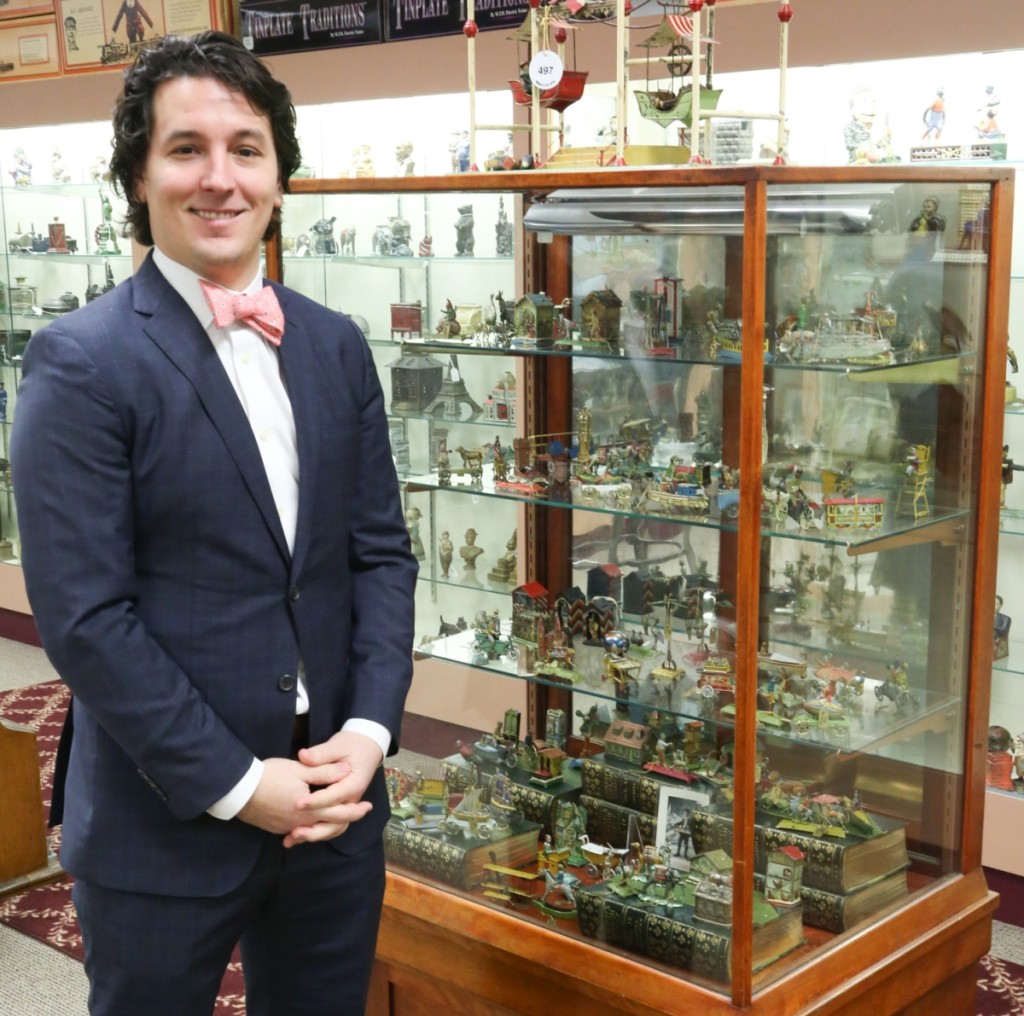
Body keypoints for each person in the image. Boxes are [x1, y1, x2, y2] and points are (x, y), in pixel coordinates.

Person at [10, 31, 417, 1016]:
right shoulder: (81, 359)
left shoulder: (333, 343)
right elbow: (87, 617)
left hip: (335, 804)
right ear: (138, 176)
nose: (219, 178)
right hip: (167, 815)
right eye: (185, 148)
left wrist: (367, 729)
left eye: (246, 147)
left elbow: (379, 555)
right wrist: (239, 781)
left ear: (280, 174)